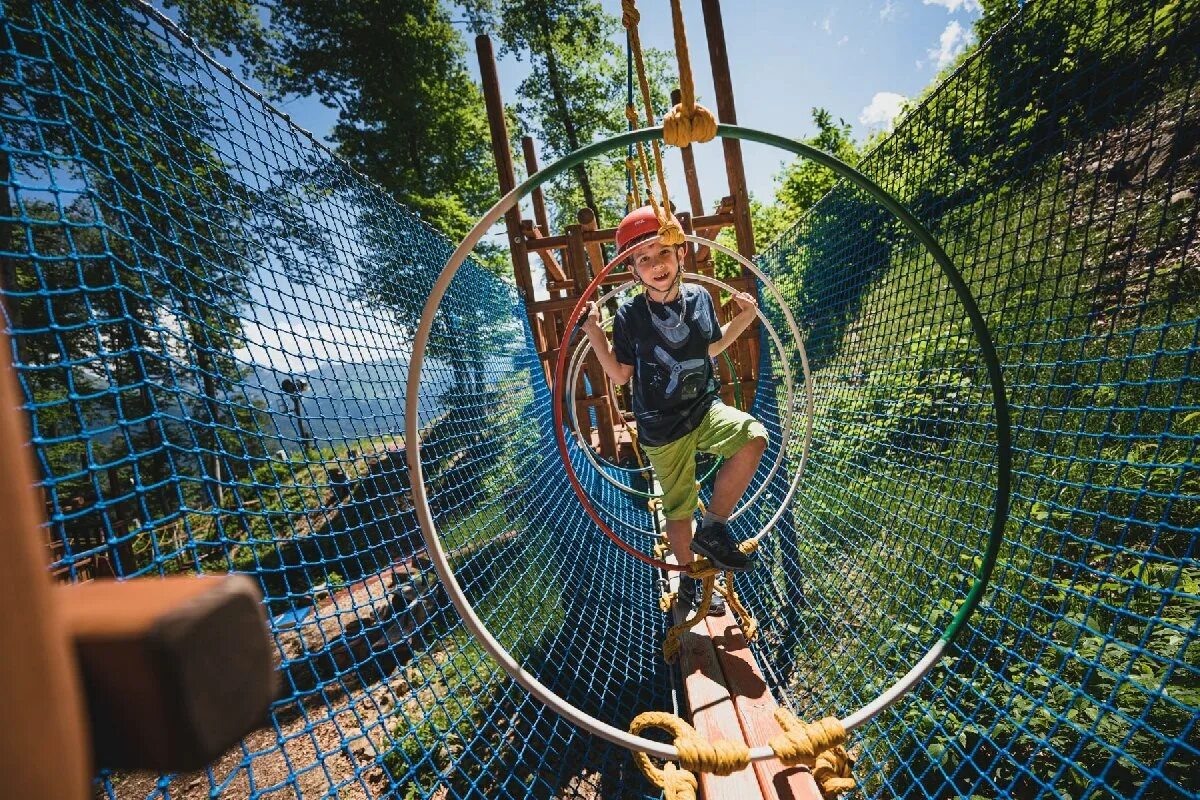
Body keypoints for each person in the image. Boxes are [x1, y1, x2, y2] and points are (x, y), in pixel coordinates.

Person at [582, 205, 768, 616]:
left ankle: (714, 527)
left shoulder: (700, 297)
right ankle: (691, 580)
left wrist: (746, 317)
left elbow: (712, 345)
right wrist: (596, 332)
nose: (655, 264)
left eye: (662, 252)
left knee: (753, 436)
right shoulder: (630, 314)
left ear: (680, 254)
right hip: (660, 428)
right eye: (643, 258)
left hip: (704, 408)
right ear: (632, 271)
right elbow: (619, 374)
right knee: (678, 506)